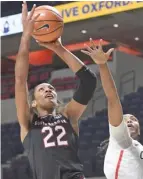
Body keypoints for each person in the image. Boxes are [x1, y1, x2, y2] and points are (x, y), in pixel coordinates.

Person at [15, 2, 97, 179]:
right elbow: (20, 80)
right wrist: (25, 37)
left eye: (51, 88)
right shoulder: (28, 123)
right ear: (33, 102)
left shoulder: (68, 115)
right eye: (42, 89)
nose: (48, 90)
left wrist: (59, 48)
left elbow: (89, 81)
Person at [81, 38, 143, 179]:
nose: (129, 121)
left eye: (133, 119)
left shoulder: (139, 148)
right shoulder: (120, 138)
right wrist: (103, 65)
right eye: (124, 119)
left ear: (139, 128)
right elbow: (113, 98)